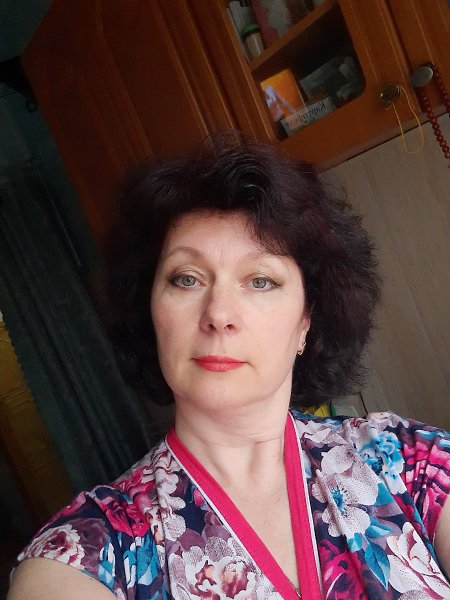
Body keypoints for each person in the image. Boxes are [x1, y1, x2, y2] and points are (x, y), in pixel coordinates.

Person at [8, 136, 450, 599]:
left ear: (306, 321)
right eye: (187, 279)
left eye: (260, 281)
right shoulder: (88, 551)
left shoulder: (405, 461)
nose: (219, 314)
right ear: (150, 312)